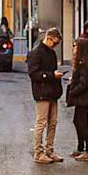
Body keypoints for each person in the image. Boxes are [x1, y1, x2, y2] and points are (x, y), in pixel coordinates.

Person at [26, 28, 64, 164]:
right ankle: (38, 152)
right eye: (54, 42)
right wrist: (51, 75)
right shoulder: (35, 53)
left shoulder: (51, 53)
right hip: (42, 92)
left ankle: (49, 150)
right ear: (48, 38)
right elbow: (33, 73)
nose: (55, 45)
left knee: (53, 123)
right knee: (41, 123)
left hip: (53, 91)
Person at [66, 32, 88, 162]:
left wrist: (73, 91)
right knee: (77, 121)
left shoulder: (86, 63)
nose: (74, 49)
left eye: (75, 46)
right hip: (82, 97)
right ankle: (80, 148)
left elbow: (84, 83)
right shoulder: (83, 62)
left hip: (83, 98)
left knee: (82, 123)